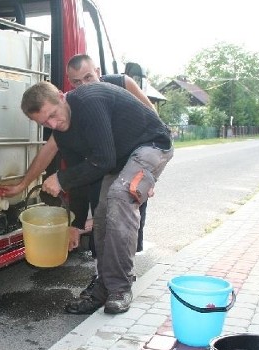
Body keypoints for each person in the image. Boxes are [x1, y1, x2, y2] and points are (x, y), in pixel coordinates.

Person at [0, 54, 155, 297]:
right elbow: (51, 149)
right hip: (104, 163)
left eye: (88, 77)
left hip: (135, 156)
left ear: (98, 71)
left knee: (122, 205)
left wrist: (147, 173)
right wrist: (24, 184)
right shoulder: (67, 117)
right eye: (76, 82)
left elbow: (151, 120)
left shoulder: (120, 84)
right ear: (68, 87)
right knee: (100, 209)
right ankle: (104, 275)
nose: (84, 86)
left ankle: (123, 276)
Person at [20, 81, 173, 314]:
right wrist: (77, 224)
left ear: (62, 97)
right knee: (102, 217)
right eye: (45, 123)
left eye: (53, 115)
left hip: (152, 145)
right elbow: (81, 179)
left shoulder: (88, 101)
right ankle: (104, 285)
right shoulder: (63, 135)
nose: (53, 124)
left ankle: (120, 288)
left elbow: (103, 159)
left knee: (121, 197)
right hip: (120, 160)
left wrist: (61, 178)